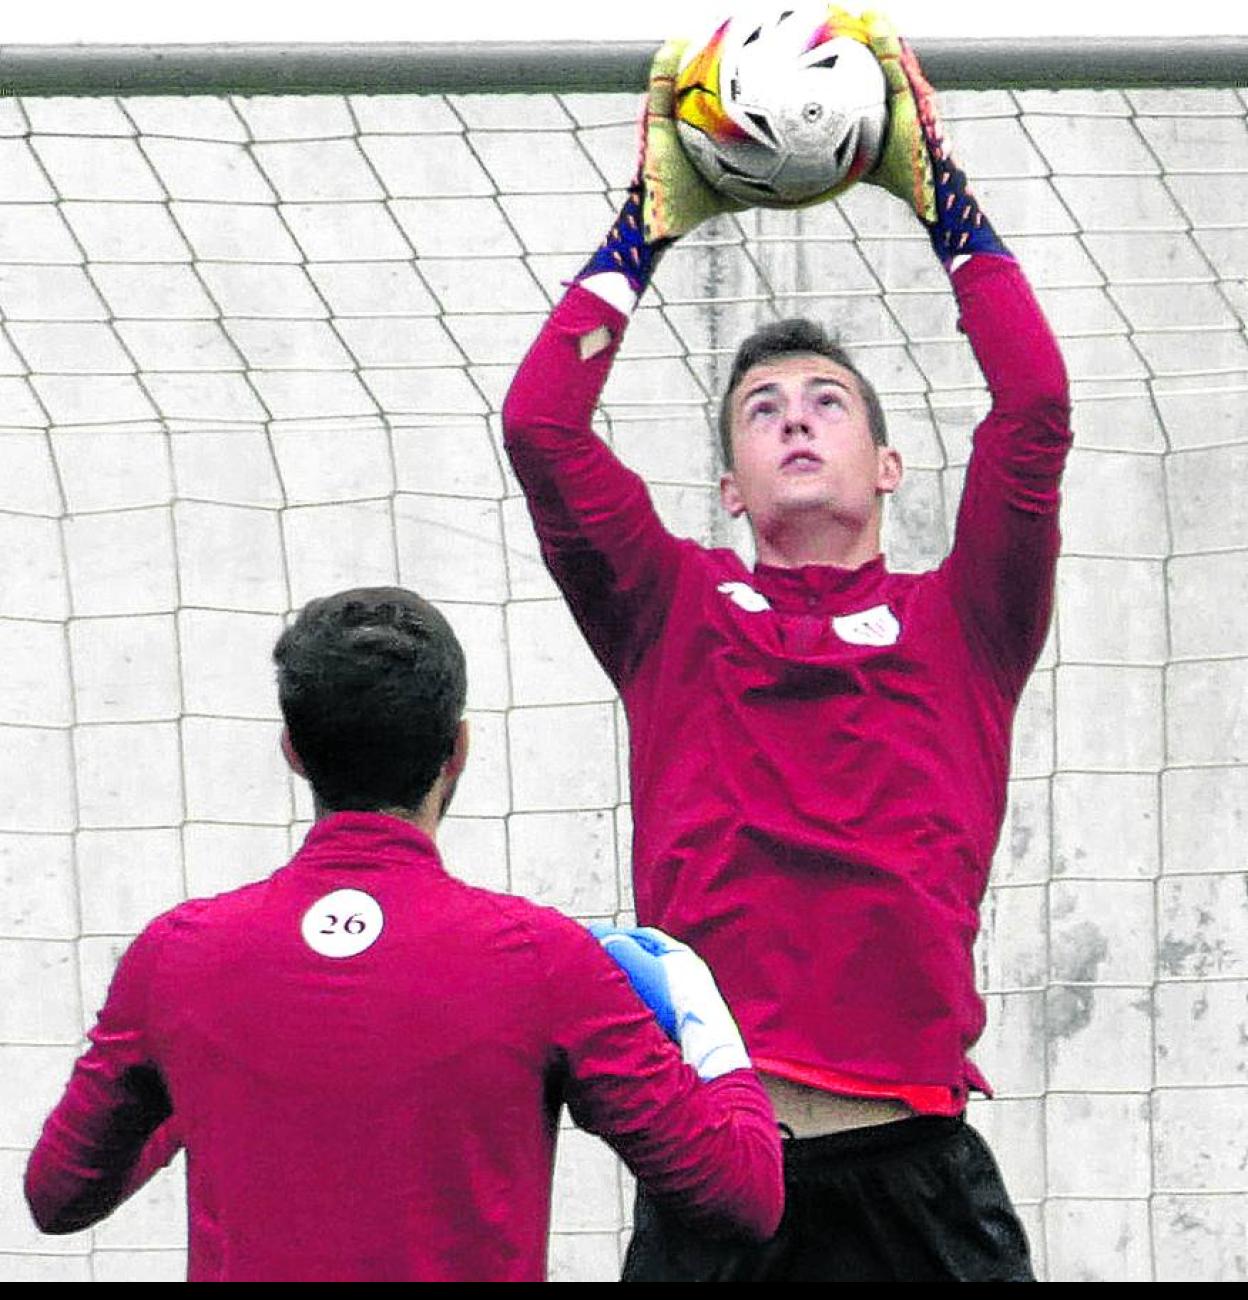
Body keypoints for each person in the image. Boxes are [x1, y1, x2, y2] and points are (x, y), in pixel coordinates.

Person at [501, 9, 1071, 1282]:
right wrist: (646, 226)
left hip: (915, 1170)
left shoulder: (965, 619)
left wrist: (941, 197)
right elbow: (541, 429)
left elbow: (1034, 409)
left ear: (888, 462)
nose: (795, 422)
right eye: (763, 410)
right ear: (728, 485)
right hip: (723, 1172)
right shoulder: (672, 609)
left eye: (827, 404)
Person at [25, 587, 783, 1282]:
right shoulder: (546, 961)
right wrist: (701, 1011)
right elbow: (744, 1196)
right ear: (458, 749)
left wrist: (201, 1087)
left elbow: (58, 1196)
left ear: (293, 750)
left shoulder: (176, 957)